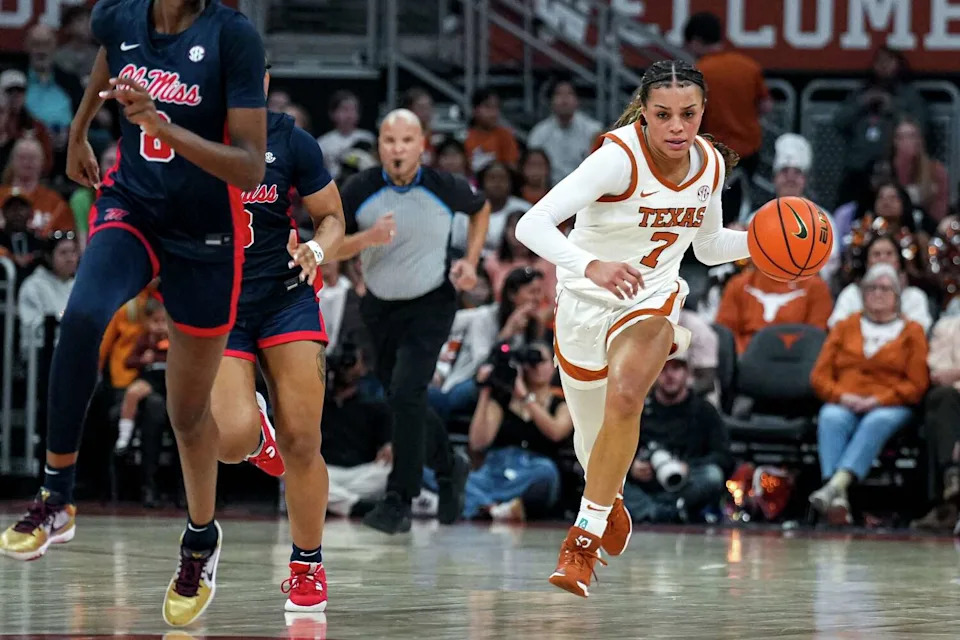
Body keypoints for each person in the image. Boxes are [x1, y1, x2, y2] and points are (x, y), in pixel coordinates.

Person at [0, 0, 267, 629]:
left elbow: (251, 163)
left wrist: (163, 124)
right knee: (83, 315)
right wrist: (78, 130)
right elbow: (109, 59)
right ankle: (56, 494)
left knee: (185, 411)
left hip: (206, 235)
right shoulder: (119, 17)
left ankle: (200, 541)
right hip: (134, 207)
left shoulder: (234, 38)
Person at [515, 59, 750, 597]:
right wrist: (589, 264)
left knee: (626, 397)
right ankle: (611, 495)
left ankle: (582, 538)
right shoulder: (617, 158)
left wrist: (759, 241)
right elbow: (531, 223)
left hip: (652, 301)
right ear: (644, 114)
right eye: (663, 115)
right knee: (592, 440)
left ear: (702, 112)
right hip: (582, 304)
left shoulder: (710, 163)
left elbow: (710, 247)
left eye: (688, 114)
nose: (677, 127)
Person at [212, 63, 344, 613]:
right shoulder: (184, 138)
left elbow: (331, 216)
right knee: (229, 440)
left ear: (262, 82)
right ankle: (258, 434)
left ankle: (307, 563)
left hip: (286, 298)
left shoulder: (292, 140)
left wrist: (317, 249)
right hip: (219, 306)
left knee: (305, 441)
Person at [337, 107, 491, 533]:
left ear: (422, 145)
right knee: (404, 400)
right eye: (390, 141)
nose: (398, 149)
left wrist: (472, 262)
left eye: (407, 141)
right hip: (379, 307)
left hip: (431, 304)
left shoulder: (445, 186)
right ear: (380, 146)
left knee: (406, 392)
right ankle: (448, 466)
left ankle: (398, 498)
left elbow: (481, 209)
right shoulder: (358, 189)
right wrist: (365, 241)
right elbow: (329, 244)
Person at [809, 263, 929, 524]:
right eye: (871, 288)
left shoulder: (912, 332)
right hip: (846, 399)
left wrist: (879, 400)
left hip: (890, 403)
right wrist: (841, 396)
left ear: (898, 297)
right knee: (831, 416)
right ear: (862, 294)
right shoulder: (845, 327)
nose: (877, 293)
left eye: (885, 288)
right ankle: (838, 500)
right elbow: (819, 376)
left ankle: (835, 485)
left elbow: (917, 384)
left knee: (876, 421)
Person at [683, 12, 771, 224]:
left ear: (695, 42)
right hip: (749, 153)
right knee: (741, 210)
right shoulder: (748, 66)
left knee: (715, 214)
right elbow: (766, 105)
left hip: (717, 156)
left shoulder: (699, 73)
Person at [623, 355, 733, 523]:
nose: (670, 375)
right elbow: (615, 452)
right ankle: (666, 511)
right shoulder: (639, 410)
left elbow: (723, 456)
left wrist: (687, 467)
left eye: (676, 369)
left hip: (684, 483)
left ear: (687, 373)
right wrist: (631, 468)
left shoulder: (704, 410)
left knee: (712, 475)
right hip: (645, 484)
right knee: (605, 480)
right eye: (663, 369)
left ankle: (656, 510)